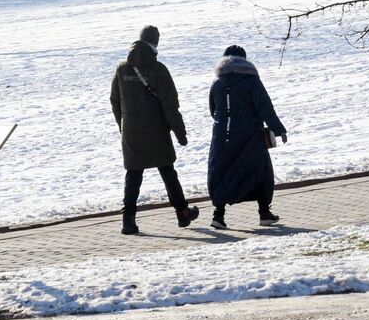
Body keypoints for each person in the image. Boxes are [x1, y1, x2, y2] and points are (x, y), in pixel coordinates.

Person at [110, 25, 200, 235]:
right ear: (155, 44)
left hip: (131, 132)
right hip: (156, 131)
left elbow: (114, 100)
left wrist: (123, 126)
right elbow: (170, 105)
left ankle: (128, 221)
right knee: (167, 171)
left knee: (133, 174)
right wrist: (180, 132)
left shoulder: (122, 68)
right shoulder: (158, 69)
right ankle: (182, 212)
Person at [207, 45, 288, 229]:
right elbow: (264, 106)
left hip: (222, 137)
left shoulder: (217, 82)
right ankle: (264, 213)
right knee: (260, 172)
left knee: (222, 173)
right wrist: (277, 128)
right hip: (249, 136)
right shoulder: (251, 81)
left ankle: (218, 216)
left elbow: (213, 110)